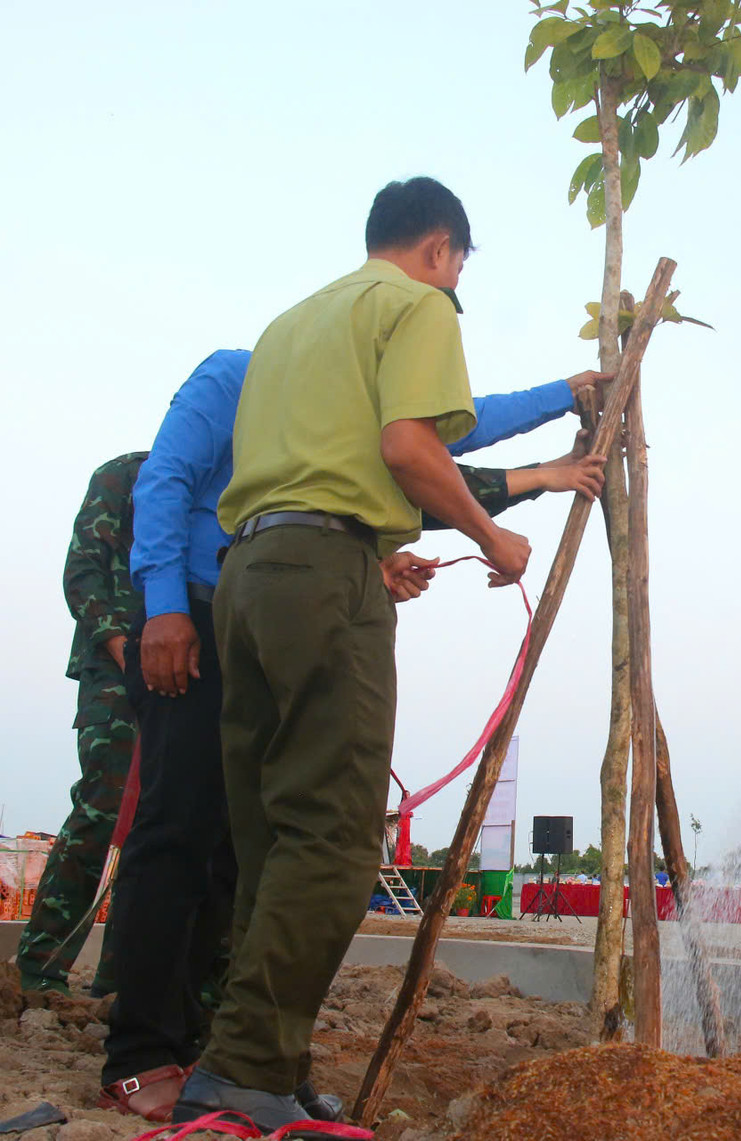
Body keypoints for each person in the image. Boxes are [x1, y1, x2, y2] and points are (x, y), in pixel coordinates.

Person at [173, 176, 608, 1129]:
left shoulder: (294, 324)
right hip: (326, 577)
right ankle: (244, 1068)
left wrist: (389, 541)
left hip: (249, 573)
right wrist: (493, 540)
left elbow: (393, 445)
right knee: (331, 835)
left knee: (268, 836)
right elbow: (415, 448)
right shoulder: (420, 304)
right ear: (444, 250)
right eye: (457, 267)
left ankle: (260, 1064)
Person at [16, 454, 146, 996]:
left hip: (193, 670)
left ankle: (120, 984)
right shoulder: (127, 475)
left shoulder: (235, 484)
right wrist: (122, 647)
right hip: (117, 667)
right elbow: (83, 571)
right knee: (102, 810)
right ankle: (40, 971)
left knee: (161, 830)